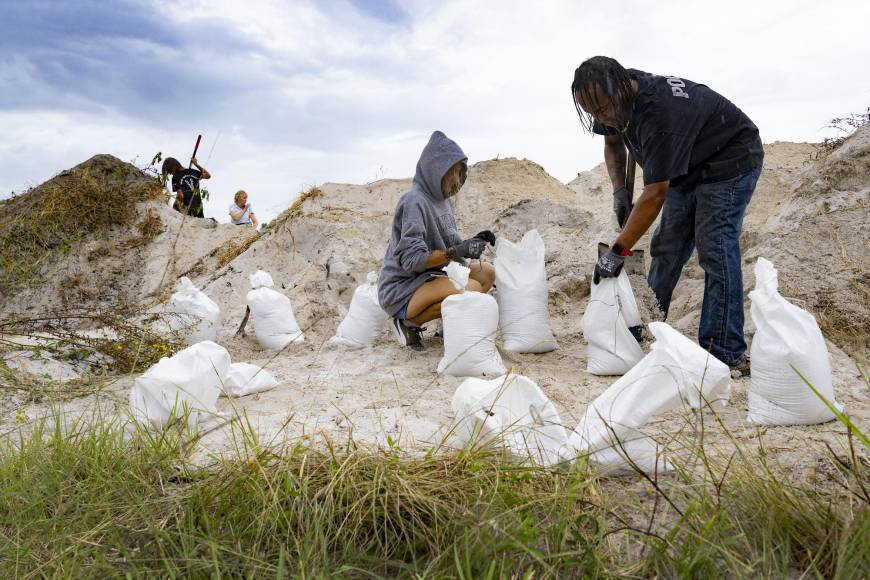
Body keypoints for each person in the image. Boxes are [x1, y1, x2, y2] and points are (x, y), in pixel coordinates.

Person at [571, 56, 763, 375]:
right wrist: (619, 191)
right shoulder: (609, 99)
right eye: (592, 112)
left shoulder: (659, 113)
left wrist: (619, 251)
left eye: (603, 108)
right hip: (686, 164)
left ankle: (725, 352)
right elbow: (613, 142)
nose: (601, 116)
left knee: (715, 247)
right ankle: (645, 330)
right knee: (666, 248)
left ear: (621, 89)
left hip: (730, 158)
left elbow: (655, 194)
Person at [378, 130, 497, 350]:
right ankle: (406, 322)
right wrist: (457, 251)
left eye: (461, 174)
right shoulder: (414, 201)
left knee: (487, 272)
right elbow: (413, 261)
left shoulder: (443, 201)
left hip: (432, 276)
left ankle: (449, 324)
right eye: (455, 174)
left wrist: (473, 243)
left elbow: (450, 247)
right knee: (471, 289)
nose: (458, 181)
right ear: (438, 170)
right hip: (403, 287)